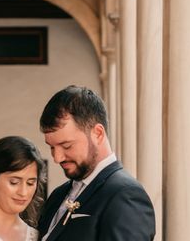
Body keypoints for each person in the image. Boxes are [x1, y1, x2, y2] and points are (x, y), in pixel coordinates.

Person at [38, 85, 155, 241]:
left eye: (67, 146)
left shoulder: (125, 195)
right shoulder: (57, 195)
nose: (57, 158)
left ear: (98, 134)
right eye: (52, 147)